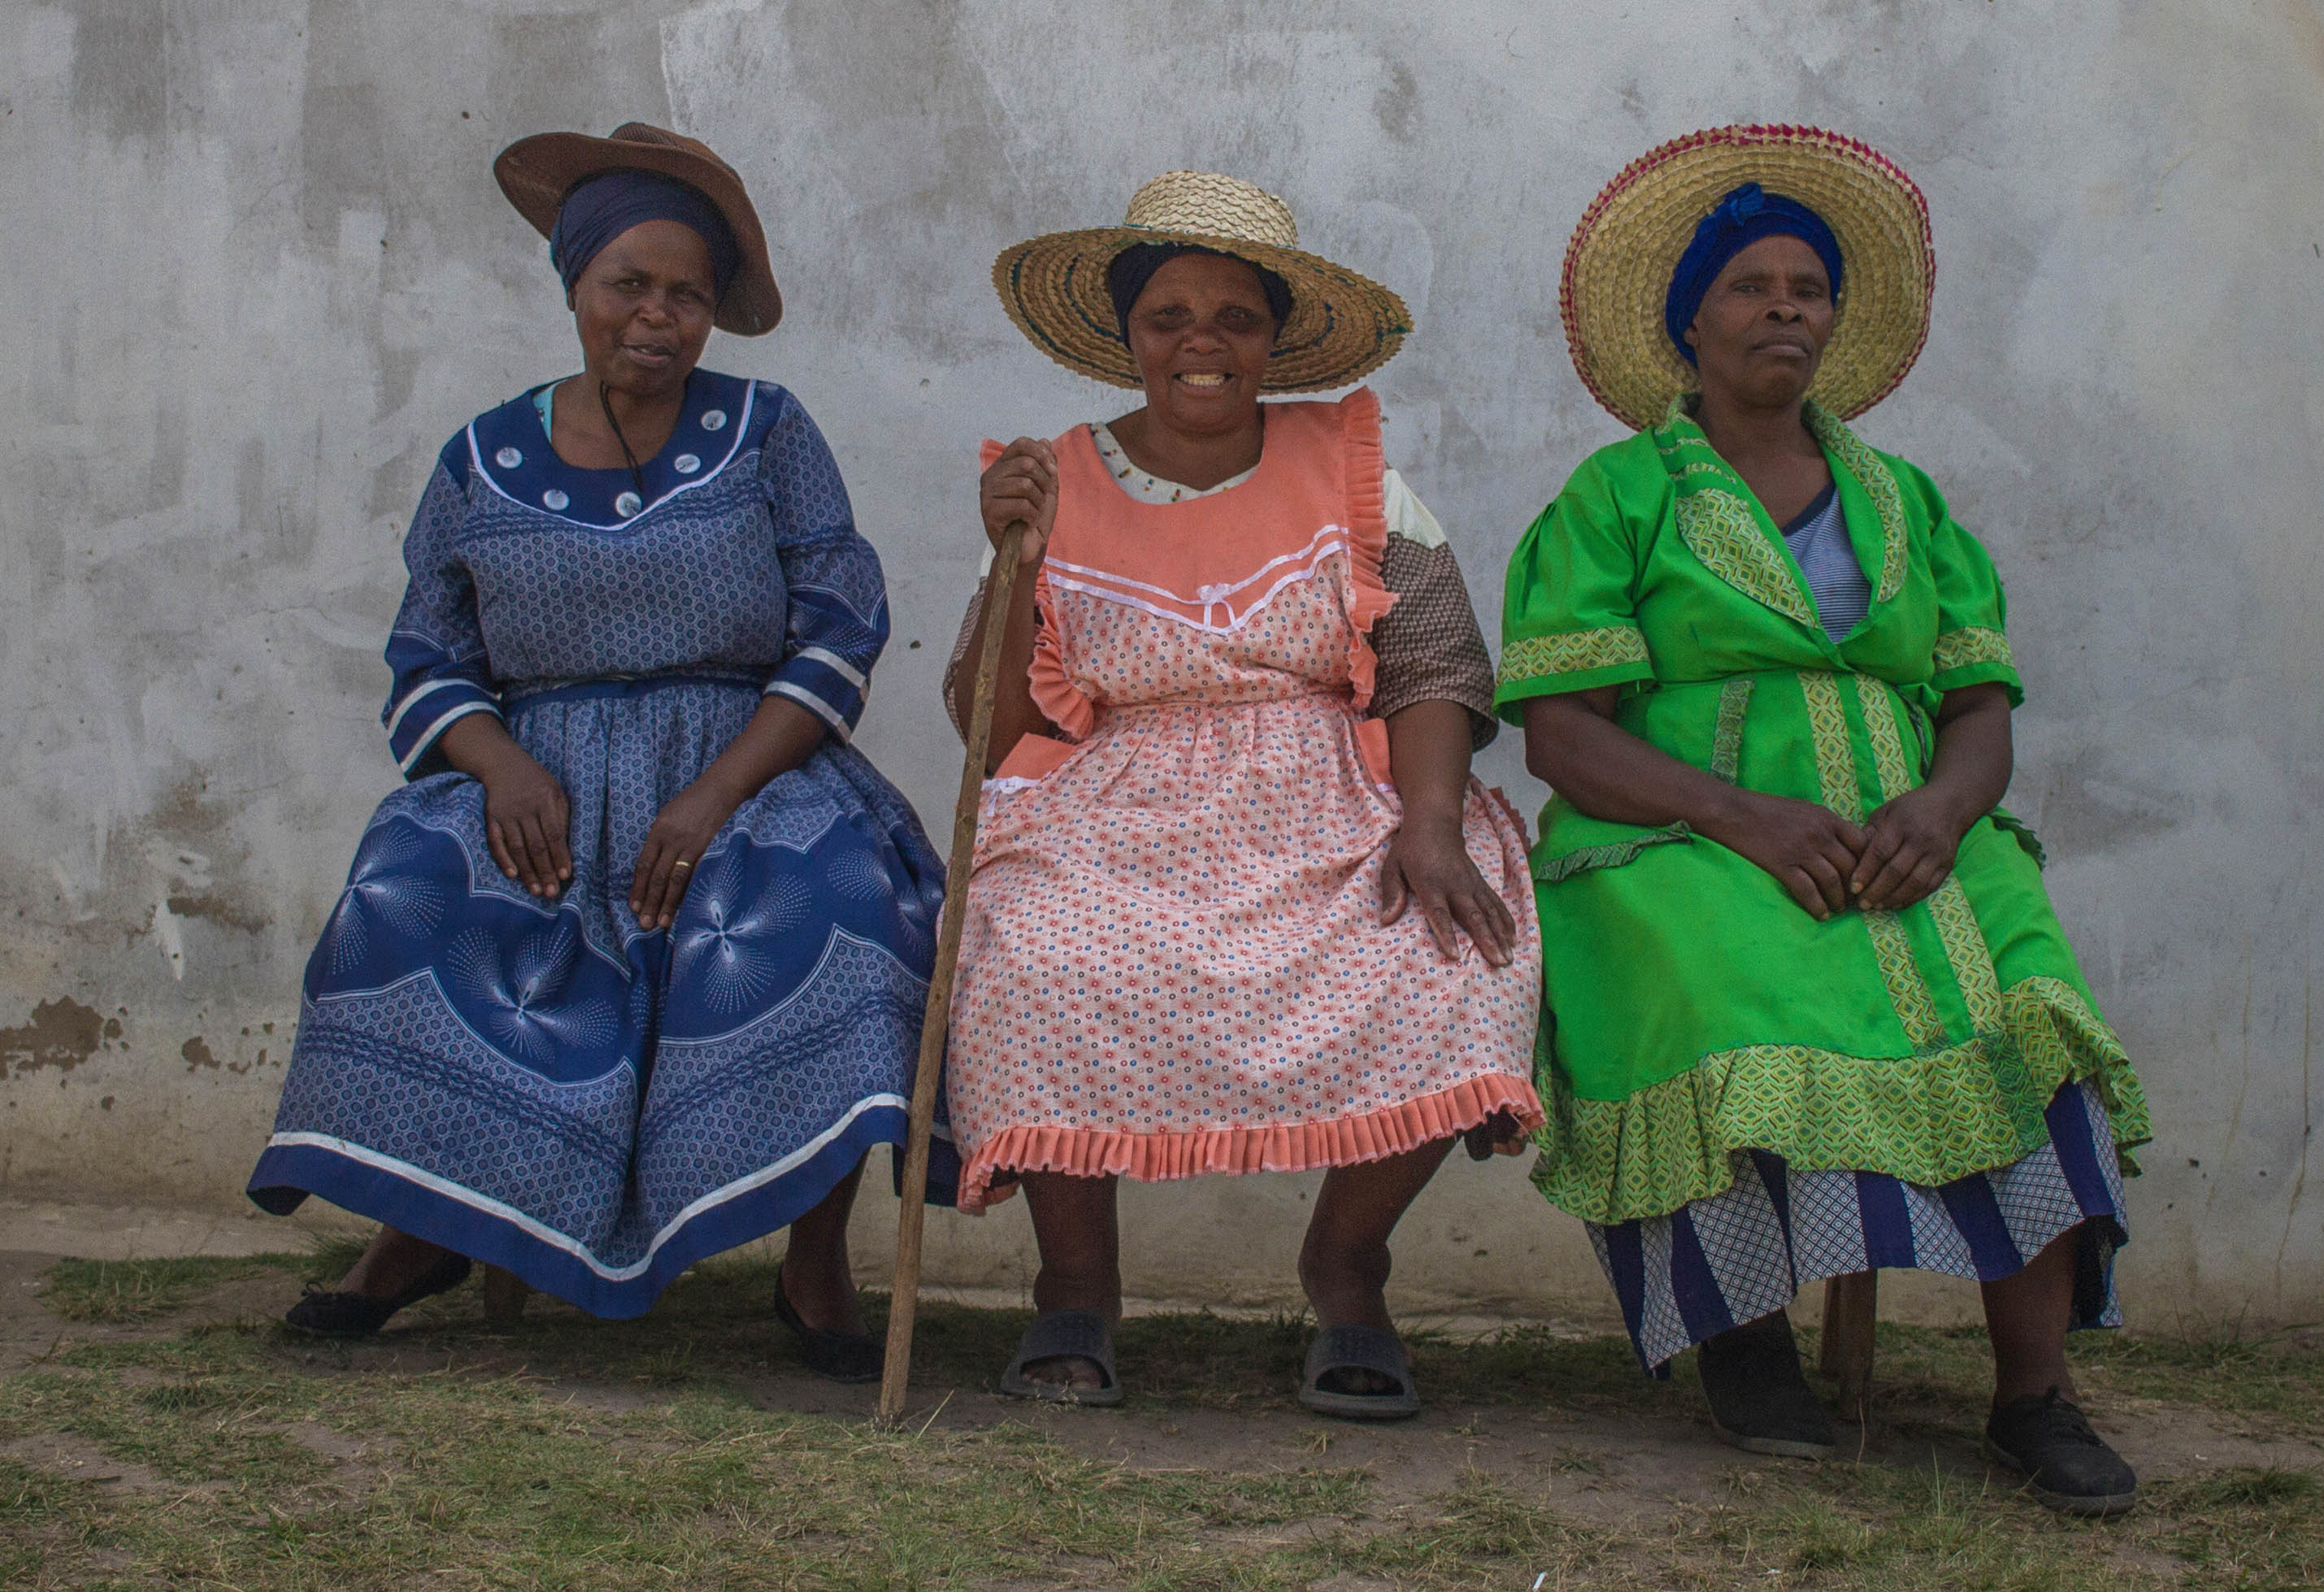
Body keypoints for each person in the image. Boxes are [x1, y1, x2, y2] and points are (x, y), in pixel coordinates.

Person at [1498, 126, 2151, 1515]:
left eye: (1809, 285)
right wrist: (1748, 820)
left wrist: (1940, 807)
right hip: (1681, 837)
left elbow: (1979, 706)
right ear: (1688, 323)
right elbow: (1563, 735)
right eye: (1749, 284)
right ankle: (1747, 1341)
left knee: (2028, 1000)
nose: (1784, 305)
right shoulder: (1616, 497)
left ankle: (2034, 1396)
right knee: (1715, 979)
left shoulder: (1908, 498)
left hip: (1914, 831)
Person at [245, 124, 945, 1380]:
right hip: (541, 783)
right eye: (630, 284)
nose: (659, 317)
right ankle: (426, 1229)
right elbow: (428, 655)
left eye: (687, 294)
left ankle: (813, 1253)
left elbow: (842, 628)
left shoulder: (768, 432)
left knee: (845, 902)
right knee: (403, 894)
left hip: (747, 770)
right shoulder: (481, 457)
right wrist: (501, 768)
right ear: (574, 286)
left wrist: (711, 795)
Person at [940, 172, 1543, 1418]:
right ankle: (1075, 1285)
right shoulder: (1050, 478)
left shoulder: (1352, 465)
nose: (1200, 342)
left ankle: (1347, 1268)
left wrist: (1430, 820)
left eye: (1234, 316)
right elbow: (990, 723)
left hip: (1332, 796)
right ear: (1128, 334)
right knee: (1038, 954)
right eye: (1168, 314)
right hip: (1114, 812)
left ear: (1275, 337)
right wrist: (1011, 560)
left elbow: (1431, 655)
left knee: (1453, 954)